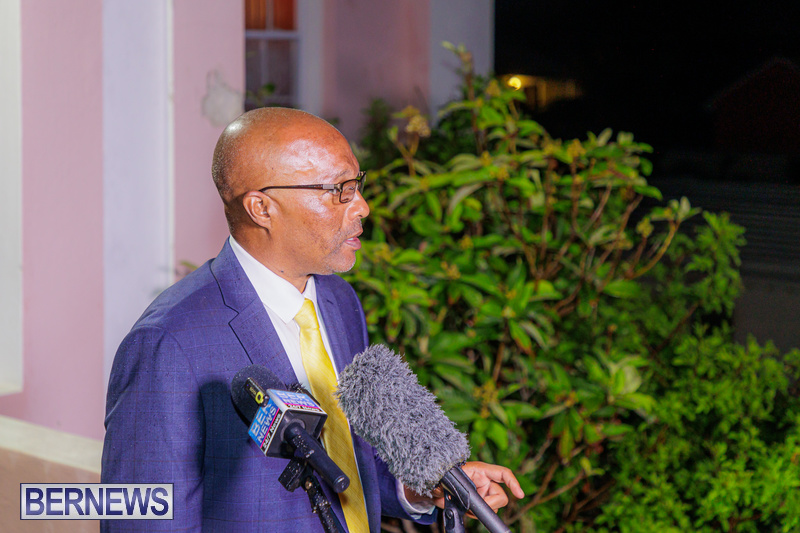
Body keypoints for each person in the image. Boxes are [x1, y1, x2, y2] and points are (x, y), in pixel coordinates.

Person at [101, 107, 524, 532]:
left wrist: (422, 489)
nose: (362, 207)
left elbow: (345, 458)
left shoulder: (339, 300)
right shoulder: (167, 343)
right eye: (339, 190)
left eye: (357, 185)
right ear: (261, 208)